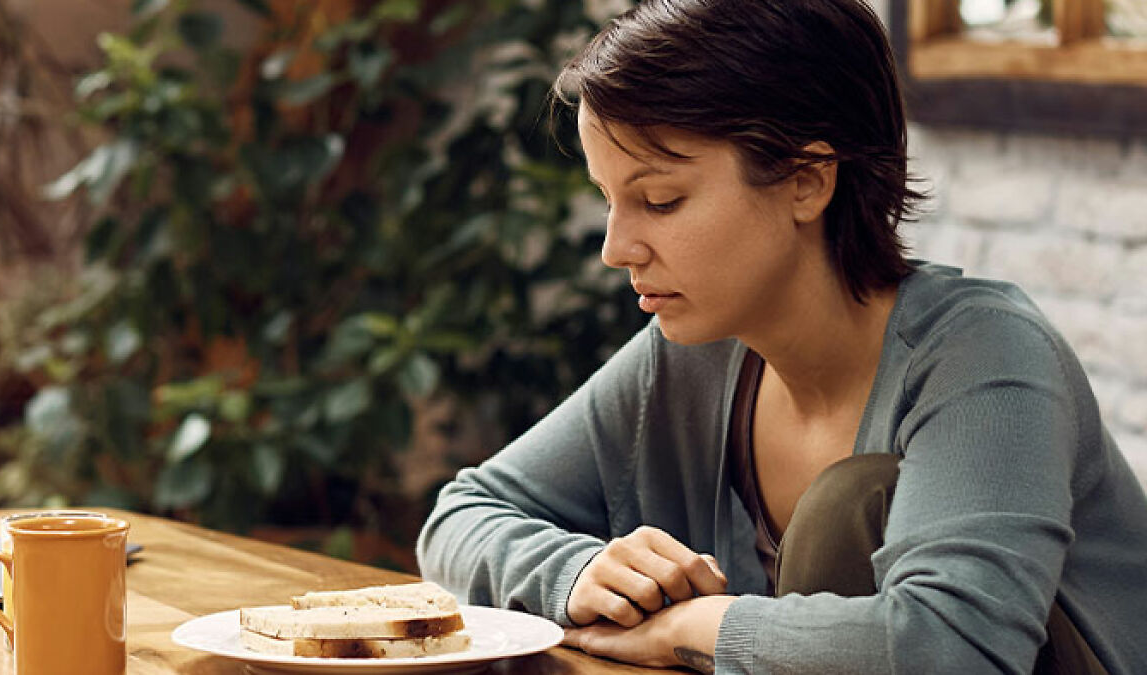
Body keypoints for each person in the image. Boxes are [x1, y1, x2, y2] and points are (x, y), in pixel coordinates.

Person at [415, 0, 1147, 672]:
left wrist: (692, 624)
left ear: (806, 180)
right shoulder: (692, 357)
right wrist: (574, 574)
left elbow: (948, 647)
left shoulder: (985, 355)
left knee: (847, 506)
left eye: (660, 200)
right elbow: (459, 517)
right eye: (610, 201)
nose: (616, 247)